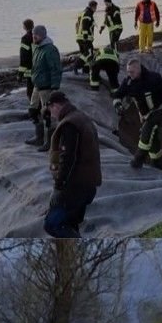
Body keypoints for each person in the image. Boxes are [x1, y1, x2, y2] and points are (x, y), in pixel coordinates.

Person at [42, 91, 101, 238]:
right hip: (88, 184)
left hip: (75, 187)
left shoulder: (70, 125)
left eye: (50, 110)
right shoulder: (80, 117)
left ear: (55, 106)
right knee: (70, 223)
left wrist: (59, 186)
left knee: (52, 225)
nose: (52, 114)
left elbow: (68, 158)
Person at [111, 57, 162, 169]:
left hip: (161, 108)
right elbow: (117, 95)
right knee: (152, 138)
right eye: (128, 72)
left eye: (132, 72)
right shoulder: (128, 82)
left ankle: (138, 160)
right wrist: (118, 105)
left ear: (139, 70)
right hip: (145, 113)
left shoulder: (153, 78)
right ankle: (157, 161)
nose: (130, 74)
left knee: (147, 131)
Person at [26, 25, 63, 150]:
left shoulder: (50, 50)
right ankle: (39, 137)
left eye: (36, 35)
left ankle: (50, 142)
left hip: (47, 87)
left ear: (42, 35)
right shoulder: (37, 48)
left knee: (48, 114)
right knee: (33, 110)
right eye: (33, 34)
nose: (33, 37)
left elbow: (56, 69)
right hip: (37, 85)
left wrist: (54, 87)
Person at [75, 0, 98, 72]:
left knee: (84, 54)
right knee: (88, 54)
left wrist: (79, 34)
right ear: (93, 7)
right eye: (95, 7)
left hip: (79, 37)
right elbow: (85, 24)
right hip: (85, 38)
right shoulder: (88, 14)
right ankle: (76, 66)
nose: (96, 9)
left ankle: (86, 70)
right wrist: (85, 36)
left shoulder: (83, 13)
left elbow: (77, 25)